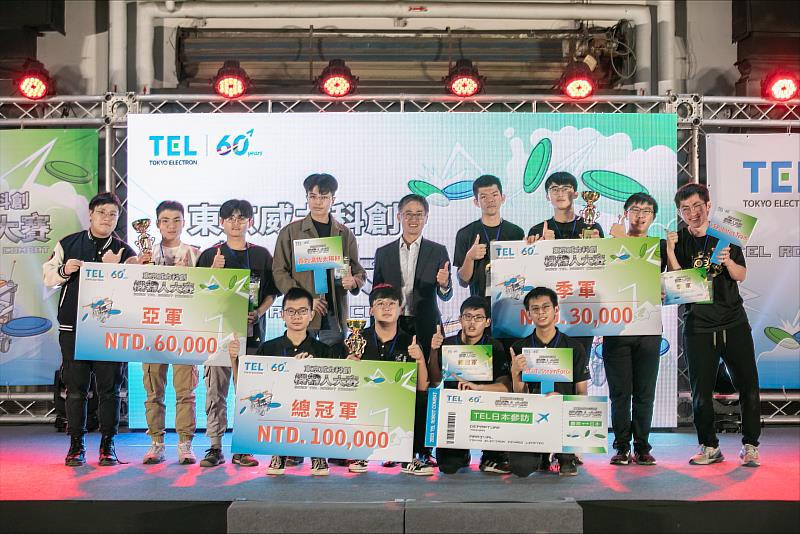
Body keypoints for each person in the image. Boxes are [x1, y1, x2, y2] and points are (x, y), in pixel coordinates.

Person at [666, 183, 761, 467]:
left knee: (748, 386)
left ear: (708, 206)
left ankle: (750, 446)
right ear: (679, 212)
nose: (692, 213)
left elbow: (741, 275)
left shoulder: (726, 234)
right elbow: (678, 285)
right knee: (701, 392)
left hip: (733, 322)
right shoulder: (678, 240)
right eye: (685, 209)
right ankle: (709, 446)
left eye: (697, 206)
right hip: (698, 325)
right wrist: (670, 251)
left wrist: (728, 262)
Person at [43, 192, 138, 467]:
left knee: (110, 390)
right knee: (76, 390)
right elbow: (48, 278)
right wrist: (65, 270)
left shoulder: (125, 251)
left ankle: (108, 445)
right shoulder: (68, 243)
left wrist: (120, 269)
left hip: (111, 330)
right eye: (102, 213)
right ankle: (76, 445)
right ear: (91, 214)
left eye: (113, 214)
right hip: (73, 327)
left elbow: (135, 290)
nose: (107, 218)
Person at [196, 199, 279, 468]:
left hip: (252, 333)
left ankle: (243, 448)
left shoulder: (261, 255)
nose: (235, 223)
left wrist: (259, 312)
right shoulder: (210, 255)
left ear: (250, 222)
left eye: (241, 218)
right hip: (218, 334)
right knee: (215, 392)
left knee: (248, 393)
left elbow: (271, 292)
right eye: (230, 218)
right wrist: (212, 272)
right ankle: (214, 447)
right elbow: (196, 294)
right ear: (221, 222)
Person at [229, 287, 334, 476]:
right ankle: (278, 451)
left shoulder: (324, 351)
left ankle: (317, 452)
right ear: (282, 315)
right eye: (291, 311)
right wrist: (233, 359)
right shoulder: (268, 349)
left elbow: (334, 393)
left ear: (311, 315)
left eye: (302, 311)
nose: (296, 316)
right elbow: (245, 390)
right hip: (278, 409)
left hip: (310, 410)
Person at [603, 193, 666, 466]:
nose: (640, 215)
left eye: (647, 211)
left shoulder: (659, 246)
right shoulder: (609, 244)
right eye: (635, 210)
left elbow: (661, 277)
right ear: (625, 213)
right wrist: (617, 242)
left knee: (644, 393)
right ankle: (621, 447)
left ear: (653, 217)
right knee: (620, 393)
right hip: (616, 327)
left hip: (648, 328)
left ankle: (642, 447)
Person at [342, 284, 430, 475]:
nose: (387, 308)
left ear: (400, 310)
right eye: (380, 303)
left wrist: (420, 359)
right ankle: (360, 452)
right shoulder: (357, 340)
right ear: (371, 310)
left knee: (423, 399)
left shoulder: (410, 342)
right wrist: (349, 366)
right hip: (367, 401)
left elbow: (423, 386)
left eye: (392, 304)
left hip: (399, 404)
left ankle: (410, 455)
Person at [272, 173, 366, 346]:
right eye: (313, 196)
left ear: (333, 199)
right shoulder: (291, 232)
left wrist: (354, 281)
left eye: (323, 197)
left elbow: (358, 271)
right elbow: (279, 271)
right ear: (307, 198)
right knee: (299, 358)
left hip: (333, 313)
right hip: (301, 313)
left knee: (332, 359)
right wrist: (304, 301)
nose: (317, 202)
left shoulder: (344, 233)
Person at [141, 200, 201, 465]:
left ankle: (185, 444)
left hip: (184, 331)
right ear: (157, 224)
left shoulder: (195, 254)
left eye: (176, 220)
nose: (171, 225)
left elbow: (206, 291)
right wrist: (138, 268)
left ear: (184, 222)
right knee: (153, 391)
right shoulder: (146, 254)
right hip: (153, 331)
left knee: (186, 391)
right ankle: (156, 443)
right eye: (165, 220)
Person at [509, 287, 590, 477]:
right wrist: (515, 372)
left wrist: (563, 402)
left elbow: (582, 393)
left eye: (546, 307)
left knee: (567, 467)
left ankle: (566, 454)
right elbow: (519, 395)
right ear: (528, 314)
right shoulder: (520, 347)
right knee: (520, 468)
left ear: (556, 310)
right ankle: (542, 455)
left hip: (563, 416)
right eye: (535, 309)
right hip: (532, 417)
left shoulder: (575, 347)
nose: (541, 312)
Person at [428, 296, 512, 474]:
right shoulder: (447, 344)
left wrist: (478, 388)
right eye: (468, 317)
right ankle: (461, 453)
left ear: (487, 322)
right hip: (454, 411)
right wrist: (434, 351)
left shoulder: (494, 346)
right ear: (460, 319)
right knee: (448, 466)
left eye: (478, 317)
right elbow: (434, 380)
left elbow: (505, 386)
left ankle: (491, 455)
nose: (472, 322)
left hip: (486, 408)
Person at [526, 171, 603, 362]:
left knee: (579, 367)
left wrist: (598, 246)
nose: (560, 193)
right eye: (554, 189)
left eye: (566, 188)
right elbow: (530, 272)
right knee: (549, 367)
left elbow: (602, 270)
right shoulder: (538, 230)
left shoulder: (592, 228)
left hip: (581, 308)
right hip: (548, 311)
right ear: (547, 196)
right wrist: (541, 248)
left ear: (576, 193)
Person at [373, 193, 452, 357]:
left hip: (426, 323)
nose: (413, 219)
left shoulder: (438, 251)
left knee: (428, 369)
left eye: (419, 214)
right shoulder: (383, 253)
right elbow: (377, 293)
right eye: (408, 214)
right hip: (392, 323)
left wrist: (445, 285)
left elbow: (446, 295)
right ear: (399, 217)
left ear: (426, 218)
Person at [453, 175, 525, 298]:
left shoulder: (516, 232)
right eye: (484, 197)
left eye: (494, 195)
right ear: (476, 202)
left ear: (502, 198)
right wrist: (470, 257)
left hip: (510, 301)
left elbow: (524, 271)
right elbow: (463, 281)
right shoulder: (465, 233)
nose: (490, 200)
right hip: (479, 304)